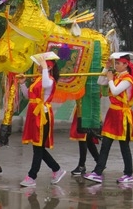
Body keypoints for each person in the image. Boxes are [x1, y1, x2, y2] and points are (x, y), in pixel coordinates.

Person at [84, 52, 133, 184]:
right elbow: (100, 81)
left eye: (118, 63)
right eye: (116, 63)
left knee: (124, 147)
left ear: (126, 64)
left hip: (122, 116)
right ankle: (97, 172)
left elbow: (114, 91)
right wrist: (107, 68)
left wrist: (111, 78)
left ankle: (128, 174)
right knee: (106, 144)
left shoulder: (127, 79)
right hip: (112, 114)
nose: (117, 66)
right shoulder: (116, 76)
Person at [18, 52, 66, 187]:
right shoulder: (38, 79)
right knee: (37, 147)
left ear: (48, 67)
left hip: (43, 115)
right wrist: (22, 84)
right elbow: (29, 96)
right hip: (34, 114)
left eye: (40, 64)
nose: (38, 66)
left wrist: (45, 67)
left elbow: (46, 84)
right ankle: (57, 169)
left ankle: (32, 176)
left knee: (38, 147)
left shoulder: (49, 80)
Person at [69, 99, 100, 176]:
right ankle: (100, 162)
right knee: (88, 139)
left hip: (85, 109)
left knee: (83, 137)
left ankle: (81, 166)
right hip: (84, 108)